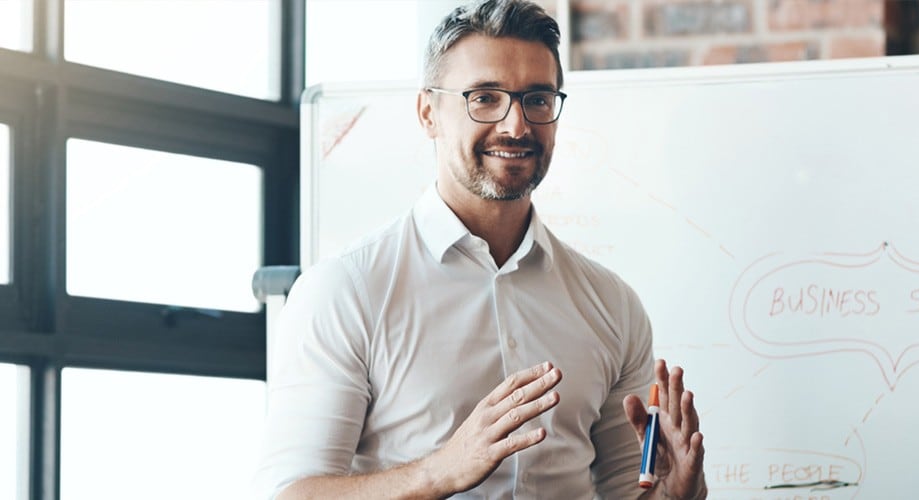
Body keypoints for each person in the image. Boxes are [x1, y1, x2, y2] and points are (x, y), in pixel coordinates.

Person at [254, 0, 706, 498]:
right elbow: (289, 493)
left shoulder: (614, 305)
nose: (516, 126)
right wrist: (440, 471)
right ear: (429, 112)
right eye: (485, 98)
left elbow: (627, 487)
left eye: (537, 98)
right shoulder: (347, 291)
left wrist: (670, 495)